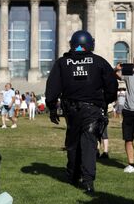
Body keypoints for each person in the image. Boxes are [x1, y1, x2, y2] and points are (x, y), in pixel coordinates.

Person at [45, 30, 118, 195]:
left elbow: (53, 86)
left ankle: (72, 175)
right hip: (92, 109)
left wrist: (52, 107)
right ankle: (88, 181)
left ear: (72, 44)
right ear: (90, 44)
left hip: (71, 110)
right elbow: (111, 84)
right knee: (89, 144)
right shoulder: (99, 62)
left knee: (72, 143)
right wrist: (106, 101)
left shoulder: (63, 63)